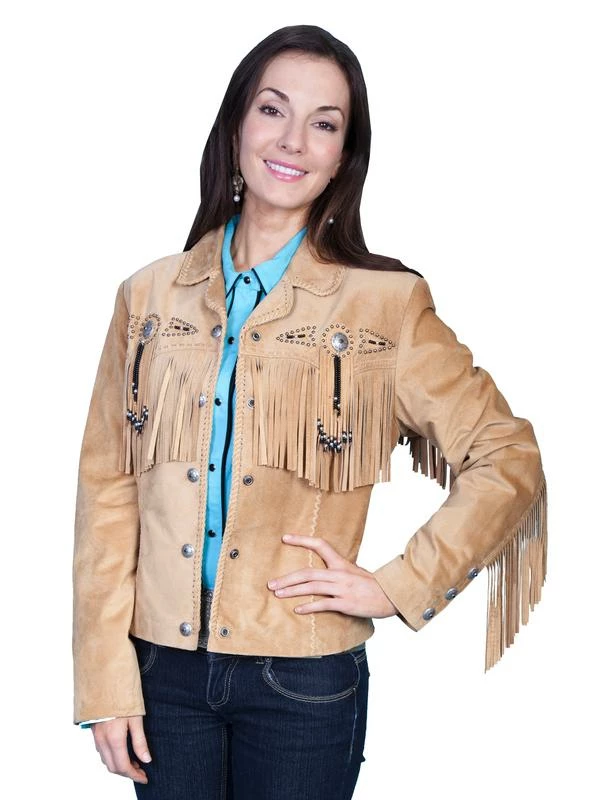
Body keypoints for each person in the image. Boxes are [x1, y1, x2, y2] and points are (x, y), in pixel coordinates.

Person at [72, 24, 548, 800]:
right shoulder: (148, 298)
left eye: (324, 123)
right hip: (159, 674)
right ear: (235, 127)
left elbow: (507, 455)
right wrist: (103, 675)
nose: (293, 140)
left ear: (342, 157)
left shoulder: (385, 306)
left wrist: (398, 585)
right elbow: (107, 489)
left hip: (302, 681)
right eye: (273, 110)